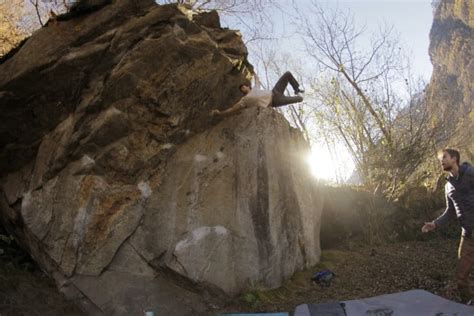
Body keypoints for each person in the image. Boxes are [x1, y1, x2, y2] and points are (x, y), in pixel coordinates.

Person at [421, 149, 474, 303]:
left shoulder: (470, 173)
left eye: (444, 157)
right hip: (468, 236)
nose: (441, 161)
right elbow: (450, 211)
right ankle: (468, 305)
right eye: (440, 159)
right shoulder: (448, 187)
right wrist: (435, 224)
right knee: (461, 277)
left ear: (454, 158)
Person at [210, 71, 304, 117]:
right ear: (242, 92)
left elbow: (257, 80)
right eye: (241, 88)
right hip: (275, 101)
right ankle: (299, 96)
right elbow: (232, 109)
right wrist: (220, 113)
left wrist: (253, 72)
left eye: (243, 86)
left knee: (287, 74)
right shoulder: (244, 100)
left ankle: (297, 89)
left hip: (275, 91)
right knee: (299, 99)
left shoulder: (255, 88)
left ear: (248, 86)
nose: (243, 88)